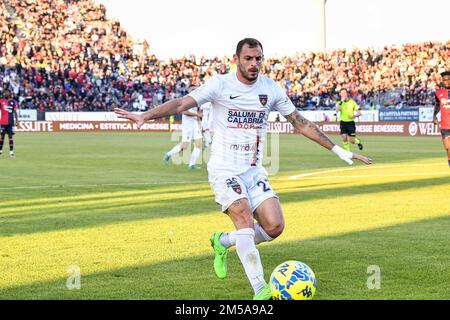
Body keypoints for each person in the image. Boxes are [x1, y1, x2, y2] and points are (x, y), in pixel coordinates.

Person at [114, 38, 373, 300]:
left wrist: (339, 150)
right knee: (245, 221)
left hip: (253, 170)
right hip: (224, 170)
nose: (254, 63)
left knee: (274, 227)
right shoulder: (220, 84)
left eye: (258, 58)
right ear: (236, 58)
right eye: (248, 58)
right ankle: (261, 289)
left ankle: (223, 241)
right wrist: (145, 115)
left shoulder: (270, 89)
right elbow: (182, 104)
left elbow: (300, 122)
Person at [163, 85, 203, 170]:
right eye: (193, 89)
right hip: (188, 125)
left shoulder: (198, 99)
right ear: (189, 90)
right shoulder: (186, 99)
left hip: (195, 124)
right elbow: (184, 112)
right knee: (185, 146)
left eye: (196, 89)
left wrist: (199, 123)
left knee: (199, 144)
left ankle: (192, 165)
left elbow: (198, 113)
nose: (195, 90)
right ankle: (168, 154)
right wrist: (197, 115)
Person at [433, 71, 450, 167]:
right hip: (445, 125)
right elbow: (437, 105)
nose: (446, 82)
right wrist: (434, 116)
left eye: (448, 80)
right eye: (444, 80)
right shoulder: (438, 93)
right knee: (447, 148)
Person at [0, 88, 19, 158]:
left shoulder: (13, 102)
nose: (6, 93)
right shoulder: (1, 101)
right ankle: (0, 151)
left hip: (11, 122)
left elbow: (15, 112)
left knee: (10, 137)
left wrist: (17, 121)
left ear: (9, 94)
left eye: (7, 92)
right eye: (5, 92)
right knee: (2, 137)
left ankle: (11, 152)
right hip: (2, 122)